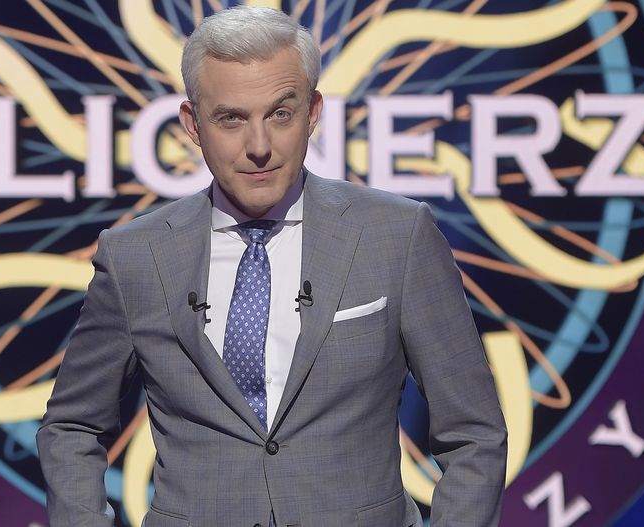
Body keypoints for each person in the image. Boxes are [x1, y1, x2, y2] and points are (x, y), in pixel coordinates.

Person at [37, 5, 507, 527]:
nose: (259, 147)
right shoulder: (136, 256)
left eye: (280, 114)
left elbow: (474, 432)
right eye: (231, 119)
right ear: (193, 124)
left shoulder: (397, 236)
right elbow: (72, 427)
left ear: (312, 112)